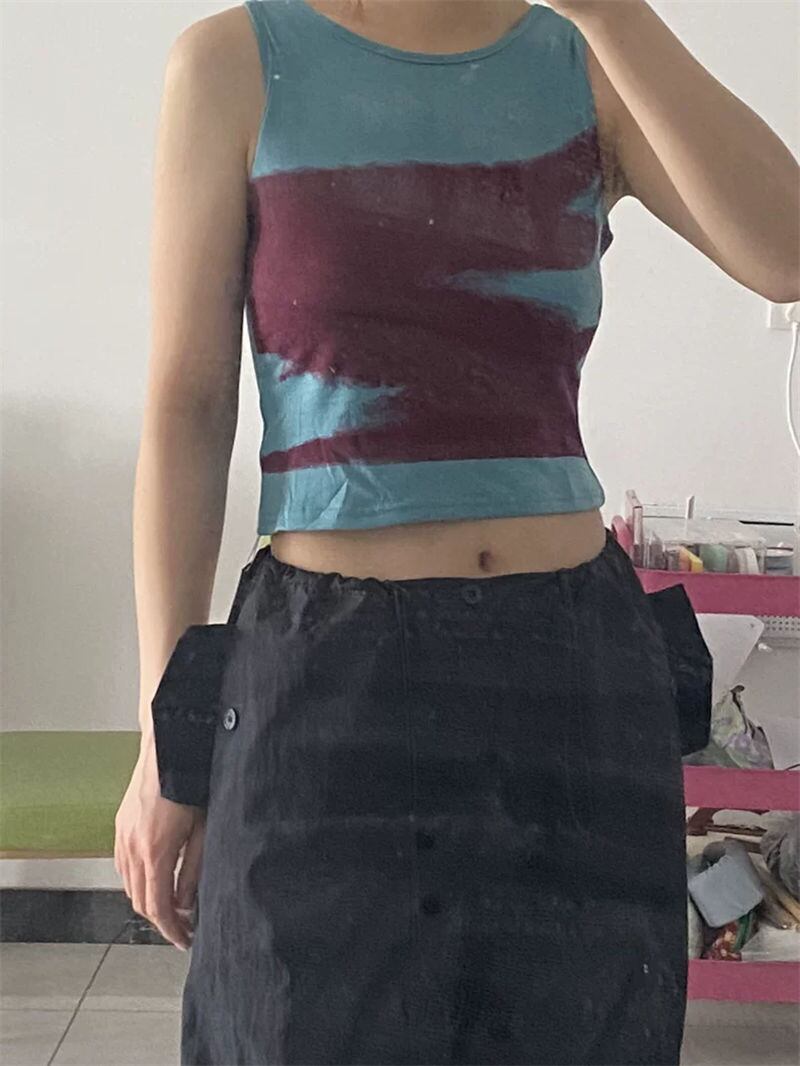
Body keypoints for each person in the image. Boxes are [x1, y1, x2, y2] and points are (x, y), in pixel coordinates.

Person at [114, 2, 799, 1064]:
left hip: (571, 683)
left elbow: (784, 252)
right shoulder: (234, 65)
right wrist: (170, 727)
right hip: (327, 688)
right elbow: (187, 409)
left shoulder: (581, 59)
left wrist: (611, 9)